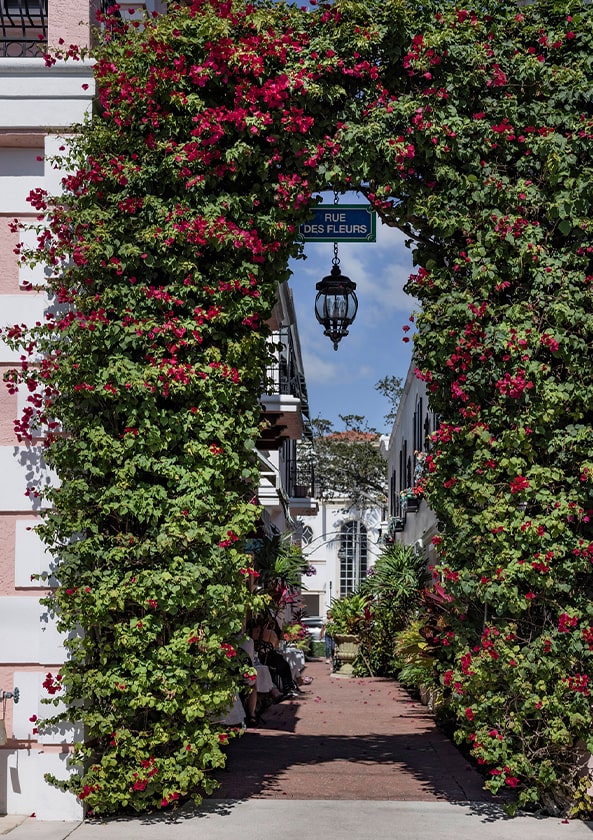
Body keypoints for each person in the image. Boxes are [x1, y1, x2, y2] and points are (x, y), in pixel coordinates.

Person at [247, 617, 303, 698]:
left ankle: (288, 686)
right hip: (269, 658)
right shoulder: (270, 633)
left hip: (261, 658)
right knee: (285, 666)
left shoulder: (252, 635)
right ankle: (288, 686)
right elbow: (276, 645)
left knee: (283, 664)